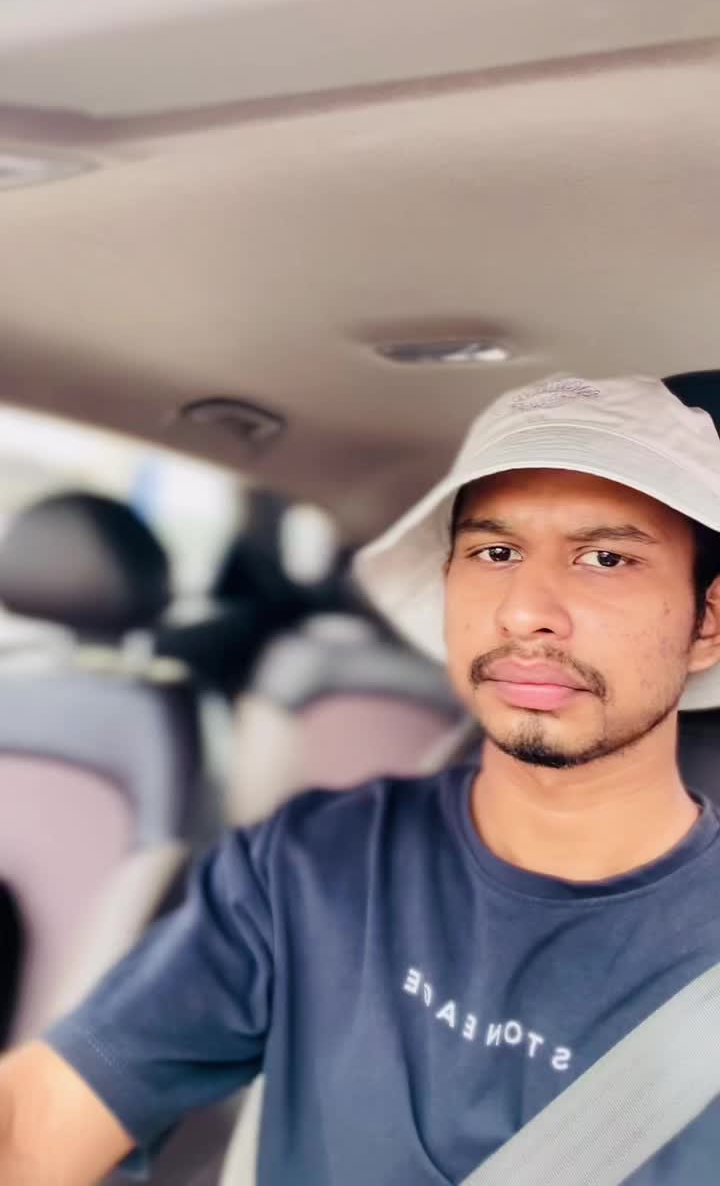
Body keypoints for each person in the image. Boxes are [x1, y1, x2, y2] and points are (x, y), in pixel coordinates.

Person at [2, 373, 720, 1185]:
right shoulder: (309, 863)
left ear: (708, 621)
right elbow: (38, 1122)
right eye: (495, 552)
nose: (526, 610)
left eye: (605, 557)